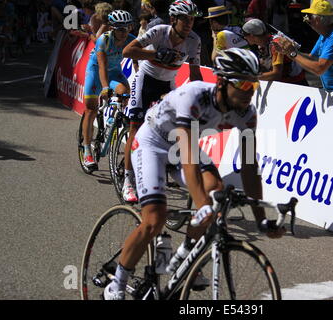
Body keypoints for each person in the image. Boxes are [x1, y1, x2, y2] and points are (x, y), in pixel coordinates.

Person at [103, 48, 286, 300]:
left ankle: (182, 257)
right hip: (153, 142)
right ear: (221, 81)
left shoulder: (247, 113)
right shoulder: (194, 96)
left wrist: (261, 219)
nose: (248, 91)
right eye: (243, 83)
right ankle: (117, 284)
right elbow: (188, 157)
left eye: (253, 85)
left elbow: (249, 167)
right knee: (154, 220)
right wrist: (200, 205)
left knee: (216, 191)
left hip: (181, 148)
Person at [120, 0, 203, 203]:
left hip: (167, 85)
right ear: (174, 19)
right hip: (145, 81)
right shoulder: (159, 31)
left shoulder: (194, 40)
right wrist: (155, 53)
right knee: (136, 127)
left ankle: (166, 167)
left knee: (173, 129)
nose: (189, 23)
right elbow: (127, 51)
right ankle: (128, 180)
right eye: (185, 19)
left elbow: (195, 73)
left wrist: (202, 98)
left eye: (192, 19)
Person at [82, 10, 136, 171]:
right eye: (120, 29)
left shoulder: (132, 40)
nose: (124, 32)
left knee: (125, 91)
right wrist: (105, 88)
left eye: (127, 28)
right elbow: (102, 66)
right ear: (112, 28)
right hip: (96, 70)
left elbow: (138, 63)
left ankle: (113, 119)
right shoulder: (103, 40)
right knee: (90, 109)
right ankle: (86, 150)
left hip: (114, 72)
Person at [273, 0, 333, 95]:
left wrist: (293, 54)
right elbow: (311, 58)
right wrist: (288, 51)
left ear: (318, 20)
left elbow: (319, 68)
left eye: (309, 16)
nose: (307, 20)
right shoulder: (325, 34)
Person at [242, 18, 307, 86]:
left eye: (245, 35)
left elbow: (276, 74)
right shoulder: (263, 44)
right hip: (286, 83)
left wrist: (251, 78)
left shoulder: (276, 44)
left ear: (252, 36)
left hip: (296, 84)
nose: (244, 38)